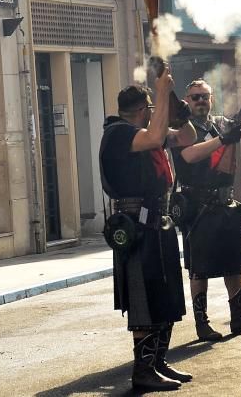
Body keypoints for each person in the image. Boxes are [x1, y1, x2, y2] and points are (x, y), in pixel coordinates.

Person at [99, 68, 197, 392]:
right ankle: (142, 371)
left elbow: (187, 137)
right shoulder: (118, 133)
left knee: (164, 296)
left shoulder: (142, 132)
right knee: (143, 300)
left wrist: (168, 98)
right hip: (137, 227)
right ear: (142, 111)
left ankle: (157, 362)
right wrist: (162, 88)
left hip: (159, 222)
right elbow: (155, 137)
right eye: (151, 109)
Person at [171, 79, 241, 342]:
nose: (200, 101)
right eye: (195, 97)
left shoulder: (221, 123)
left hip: (225, 203)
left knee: (233, 264)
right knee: (199, 269)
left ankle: (238, 318)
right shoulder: (182, 129)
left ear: (211, 98)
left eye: (205, 96)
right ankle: (202, 324)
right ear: (186, 100)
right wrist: (221, 140)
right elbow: (189, 155)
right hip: (198, 206)